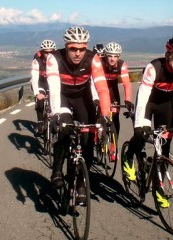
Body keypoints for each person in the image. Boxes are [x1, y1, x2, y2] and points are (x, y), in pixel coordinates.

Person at [123, 37, 173, 207]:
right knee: (141, 135)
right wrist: (140, 123)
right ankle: (128, 157)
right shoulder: (154, 68)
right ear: (167, 54)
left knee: (164, 150)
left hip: (165, 106)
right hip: (148, 103)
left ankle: (158, 189)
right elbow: (143, 96)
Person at [46, 27, 111, 204]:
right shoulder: (55, 58)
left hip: (83, 99)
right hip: (63, 98)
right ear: (66, 46)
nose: (77, 53)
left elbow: (102, 88)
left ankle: (82, 182)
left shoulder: (93, 59)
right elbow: (53, 88)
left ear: (86, 47)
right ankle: (57, 170)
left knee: (88, 141)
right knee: (64, 130)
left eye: (81, 49)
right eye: (73, 48)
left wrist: (105, 116)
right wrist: (55, 114)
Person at [101, 42, 133, 161]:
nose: (112, 59)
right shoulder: (99, 62)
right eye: (109, 55)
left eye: (115, 56)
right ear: (105, 55)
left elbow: (126, 84)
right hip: (100, 88)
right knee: (99, 113)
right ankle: (98, 136)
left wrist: (128, 99)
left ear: (118, 57)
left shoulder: (122, 65)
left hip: (113, 91)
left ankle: (114, 148)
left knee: (114, 118)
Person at [30, 39, 56, 134]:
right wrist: (37, 93)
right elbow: (34, 78)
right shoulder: (37, 61)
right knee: (40, 101)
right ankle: (40, 123)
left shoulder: (57, 59)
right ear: (42, 51)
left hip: (52, 82)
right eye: (46, 52)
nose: (48, 54)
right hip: (41, 82)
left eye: (51, 52)